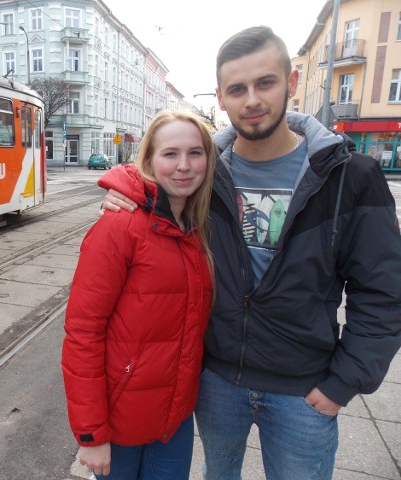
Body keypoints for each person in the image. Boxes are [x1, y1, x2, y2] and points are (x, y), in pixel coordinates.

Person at [101, 26, 401, 479]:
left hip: (303, 389)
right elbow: (152, 185)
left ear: (292, 83)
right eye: (237, 89)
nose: (252, 100)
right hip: (217, 381)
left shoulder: (348, 176)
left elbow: (383, 292)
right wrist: (120, 190)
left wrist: (344, 381)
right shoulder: (204, 173)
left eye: (265, 83)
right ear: (220, 97)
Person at [62, 110, 217, 479]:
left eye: (195, 153)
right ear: (148, 160)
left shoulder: (198, 227)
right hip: (120, 424)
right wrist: (91, 434)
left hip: (173, 421)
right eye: (170, 154)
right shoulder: (119, 226)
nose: (184, 165)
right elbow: (83, 331)